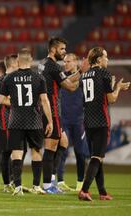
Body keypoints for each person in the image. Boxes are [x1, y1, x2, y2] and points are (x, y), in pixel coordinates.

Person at [0, 48, 53, 196]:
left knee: (16, 153)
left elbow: (1, 99)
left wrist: (15, 104)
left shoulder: (8, 78)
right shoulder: (39, 77)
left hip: (15, 120)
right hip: (34, 120)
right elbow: (44, 101)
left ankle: (17, 187)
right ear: (31, 60)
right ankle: (36, 186)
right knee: (36, 151)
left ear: (17, 61)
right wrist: (50, 121)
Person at [79, 47, 130, 201]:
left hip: (88, 121)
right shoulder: (104, 74)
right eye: (106, 57)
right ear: (99, 59)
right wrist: (118, 88)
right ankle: (84, 190)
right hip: (101, 120)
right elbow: (111, 99)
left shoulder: (85, 76)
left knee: (96, 157)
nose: (108, 59)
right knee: (97, 157)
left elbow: (89, 98)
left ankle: (102, 192)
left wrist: (111, 86)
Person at [38, 37, 80, 193]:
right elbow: (69, 86)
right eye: (62, 49)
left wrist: (80, 72)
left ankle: (52, 180)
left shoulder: (43, 63)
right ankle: (48, 185)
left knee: (63, 142)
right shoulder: (54, 66)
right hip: (52, 110)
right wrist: (82, 75)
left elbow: (64, 79)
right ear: (53, 49)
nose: (64, 52)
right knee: (50, 147)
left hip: (51, 109)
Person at [58, 53, 90, 192]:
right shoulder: (60, 77)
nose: (65, 64)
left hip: (78, 120)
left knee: (80, 152)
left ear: (76, 62)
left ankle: (80, 182)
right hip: (63, 119)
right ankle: (59, 182)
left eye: (69, 61)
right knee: (62, 151)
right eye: (64, 61)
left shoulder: (84, 79)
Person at [0, 55, 18, 192]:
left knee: (18, 151)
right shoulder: (2, 79)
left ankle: (15, 182)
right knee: (6, 153)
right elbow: (3, 100)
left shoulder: (15, 78)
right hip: (5, 120)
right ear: (13, 64)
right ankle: (6, 184)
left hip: (17, 120)